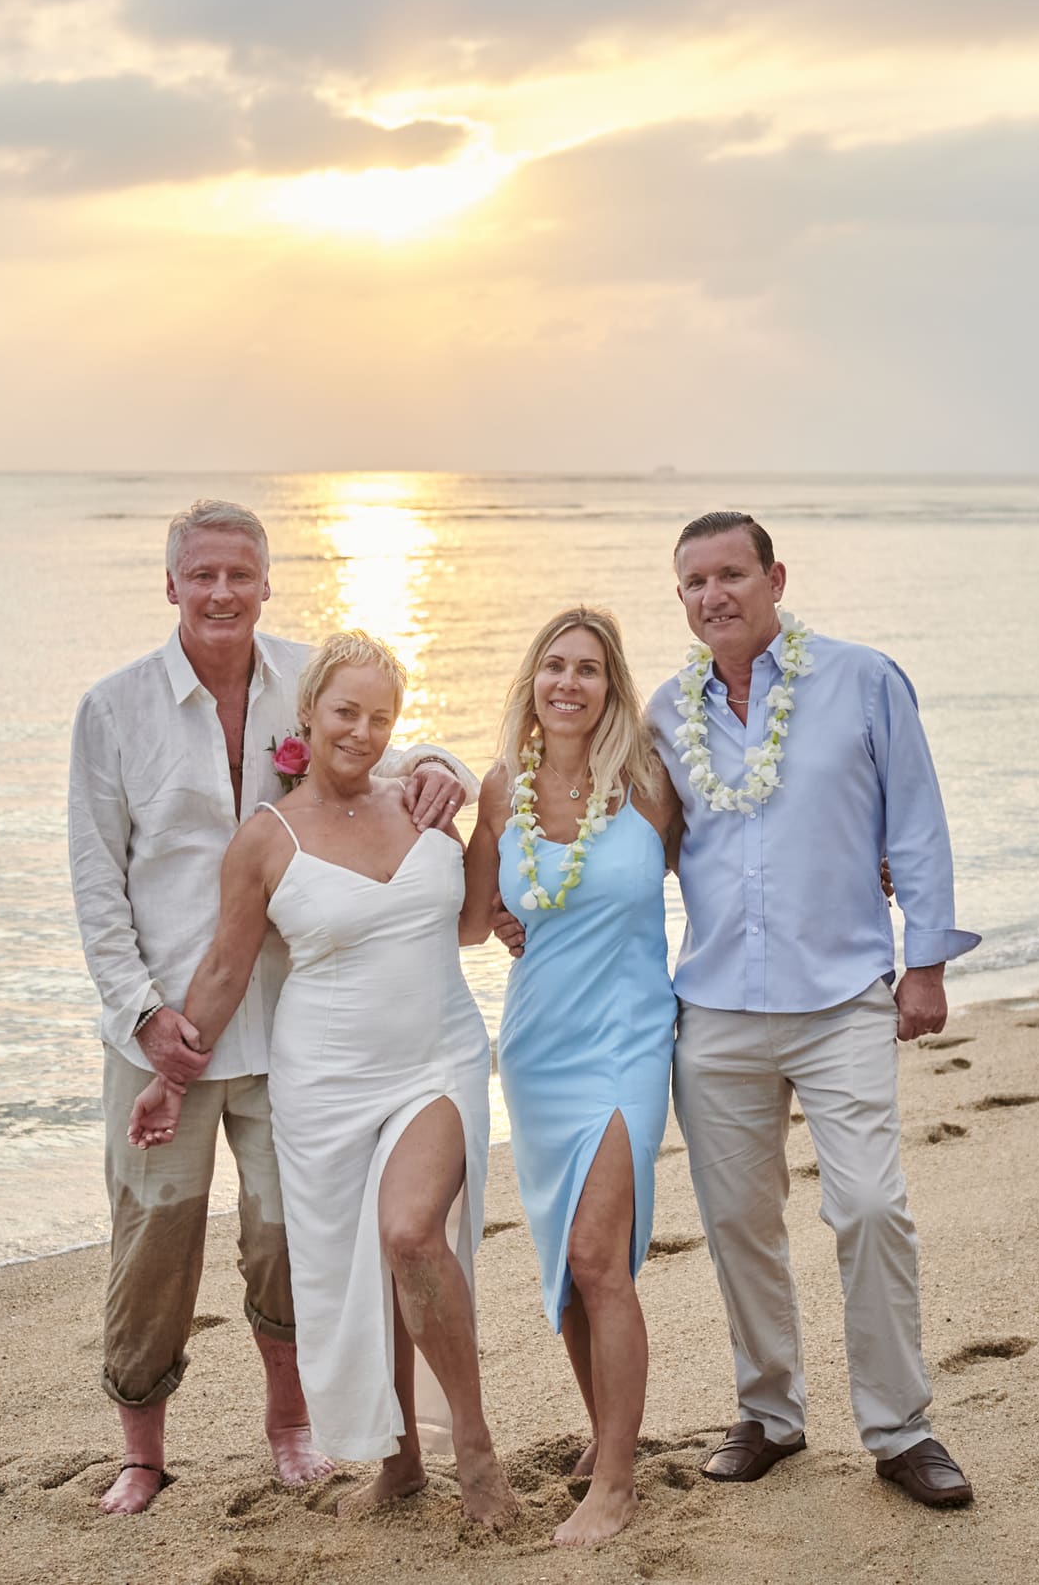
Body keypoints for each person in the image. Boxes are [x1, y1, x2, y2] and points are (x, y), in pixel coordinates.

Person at [66, 502, 469, 1515]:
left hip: (292, 1027)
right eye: (201, 574)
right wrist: (141, 1016)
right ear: (171, 584)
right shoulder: (113, 710)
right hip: (170, 1030)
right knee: (154, 1241)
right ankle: (142, 1453)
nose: (221, 592)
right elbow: (96, 886)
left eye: (239, 574)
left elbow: (381, 745)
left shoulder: (306, 679)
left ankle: (290, 1425)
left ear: (265, 582)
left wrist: (443, 768)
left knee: (292, 1238)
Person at [128, 633, 520, 1531]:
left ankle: (475, 1450)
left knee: (411, 1234)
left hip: (437, 1057)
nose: (362, 731)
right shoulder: (265, 838)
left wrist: (505, 886)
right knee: (359, 1270)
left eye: (381, 716)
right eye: (346, 711)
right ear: (307, 712)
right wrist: (172, 1079)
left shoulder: (422, 800)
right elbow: (225, 971)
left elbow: (469, 922)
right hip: (325, 1083)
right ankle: (401, 1461)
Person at [647, 510, 981, 1510]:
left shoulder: (863, 680)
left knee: (871, 1206)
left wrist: (926, 963)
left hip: (842, 998)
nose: (714, 595)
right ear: (680, 597)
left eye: (731, 574)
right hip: (714, 1010)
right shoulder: (666, 713)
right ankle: (770, 1413)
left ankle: (900, 1428)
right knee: (737, 1220)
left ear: (775, 577)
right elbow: (621, 834)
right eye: (695, 581)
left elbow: (916, 822)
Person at [460, 606, 680, 1547]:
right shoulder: (500, 788)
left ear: (612, 687)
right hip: (538, 1049)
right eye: (555, 665)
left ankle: (618, 1482)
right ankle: (604, 1433)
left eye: (589, 668)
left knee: (598, 1255)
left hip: (629, 1039)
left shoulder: (648, 784)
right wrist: (416, 784)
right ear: (532, 679)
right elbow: (468, 917)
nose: (569, 682)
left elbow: (730, 871)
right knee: (568, 1264)